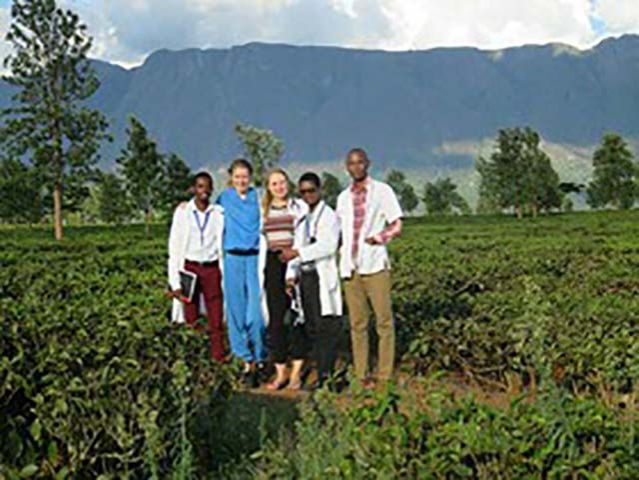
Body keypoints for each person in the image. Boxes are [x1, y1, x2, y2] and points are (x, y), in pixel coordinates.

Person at [335, 148, 403, 387]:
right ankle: (361, 373)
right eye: (351, 163)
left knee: (384, 321)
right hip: (351, 267)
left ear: (368, 164)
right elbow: (339, 233)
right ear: (347, 167)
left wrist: (379, 238)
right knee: (357, 324)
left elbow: (397, 224)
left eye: (360, 162)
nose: (356, 167)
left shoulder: (383, 191)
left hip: (375, 266)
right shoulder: (343, 198)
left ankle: (384, 374)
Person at [281, 172, 343, 389]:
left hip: (321, 277)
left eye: (311, 190)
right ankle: (321, 373)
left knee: (325, 328)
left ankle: (327, 377)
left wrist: (298, 253)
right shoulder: (304, 218)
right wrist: (291, 275)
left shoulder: (330, 216)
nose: (307, 195)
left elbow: (328, 246)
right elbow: (297, 247)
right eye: (303, 191)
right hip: (305, 277)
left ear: (320, 190)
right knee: (312, 328)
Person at [216, 159, 266, 387]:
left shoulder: (259, 197)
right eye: (237, 177)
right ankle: (247, 362)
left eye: (245, 176)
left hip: (254, 258)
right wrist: (184, 206)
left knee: (255, 315)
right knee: (235, 312)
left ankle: (260, 356)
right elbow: (206, 211)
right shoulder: (224, 198)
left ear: (251, 177)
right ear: (230, 178)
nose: (241, 181)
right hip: (233, 259)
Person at [168, 171, 225, 362]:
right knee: (190, 316)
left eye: (208, 186)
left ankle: (218, 358)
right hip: (190, 268)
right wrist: (174, 281)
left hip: (211, 268)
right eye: (200, 186)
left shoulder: (218, 213)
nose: (204, 191)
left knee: (216, 317)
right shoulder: (182, 212)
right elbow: (174, 247)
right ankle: (194, 358)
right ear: (193, 189)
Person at [260, 168, 309, 390]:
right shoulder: (263, 210)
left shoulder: (299, 208)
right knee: (276, 320)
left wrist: (293, 272)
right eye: (274, 184)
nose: (279, 187)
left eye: (282, 183)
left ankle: (297, 372)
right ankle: (281, 371)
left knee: (296, 318)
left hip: (292, 260)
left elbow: (301, 241)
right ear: (268, 188)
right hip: (272, 265)